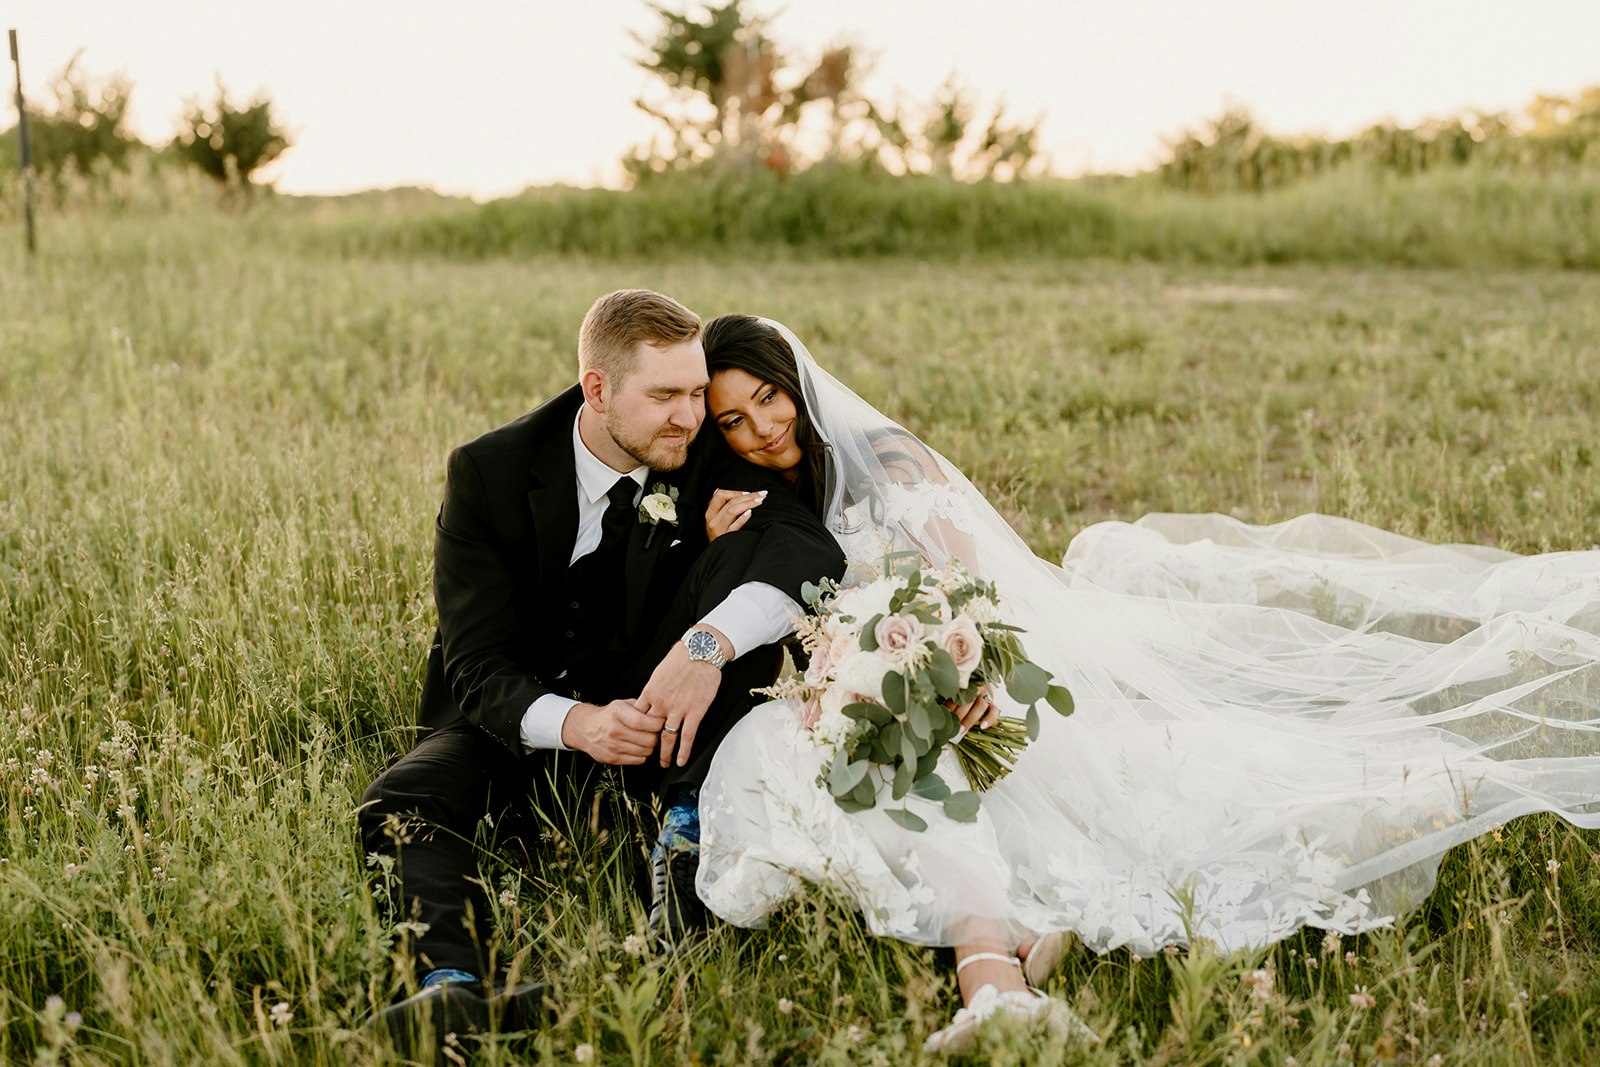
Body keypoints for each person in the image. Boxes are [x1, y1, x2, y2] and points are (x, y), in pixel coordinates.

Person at [691, 315, 1600, 1053]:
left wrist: (972, 671)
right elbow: (801, 629)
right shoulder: (759, 499)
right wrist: (737, 566)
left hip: (977, 667)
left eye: (769, 399)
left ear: (796, 383)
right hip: (877, 691)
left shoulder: (888, 460)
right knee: (837, 755)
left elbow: (978, 590)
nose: (762, 426)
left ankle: (991, 974)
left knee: (974, 768)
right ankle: (1021, 940)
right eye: (734, 419)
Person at [358, 293, 844, 1049]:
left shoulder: (700, 445)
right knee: (402, 797)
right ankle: (448, 991)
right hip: (519, 715)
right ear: (598, 389)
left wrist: (705, 644)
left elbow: (806, 547)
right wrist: (577, 723)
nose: (689, 414)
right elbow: (476, 664)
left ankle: (676, 915)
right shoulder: (490, 472)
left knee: (733, 615)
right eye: (665, 396)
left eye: (694, 391)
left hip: (661, 718)